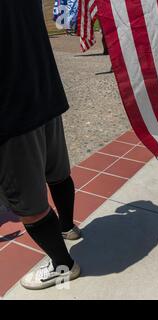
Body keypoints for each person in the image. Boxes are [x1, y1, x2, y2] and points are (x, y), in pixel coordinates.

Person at [0, 0, 81, 289]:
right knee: (57, 172)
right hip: (43, 90)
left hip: (10, 111)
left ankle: (63, 266)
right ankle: (68, 227)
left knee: (29, 205)